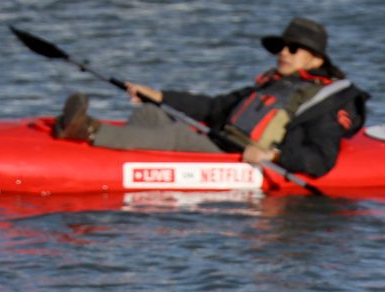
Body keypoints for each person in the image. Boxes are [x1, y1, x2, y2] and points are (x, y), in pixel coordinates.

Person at [51, 17, 367, 178]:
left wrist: (271, 156)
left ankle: (89, 131)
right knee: (153, 115)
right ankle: (118, 148)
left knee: (174, 134)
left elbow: (320, 159)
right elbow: (215, 107)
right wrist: (157, 95)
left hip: (241, 155)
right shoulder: (276, 84)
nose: (283, 53)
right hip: (222, 138)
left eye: (293, 48)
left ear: (315, 59)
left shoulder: (324, 103)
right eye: (281, 47)